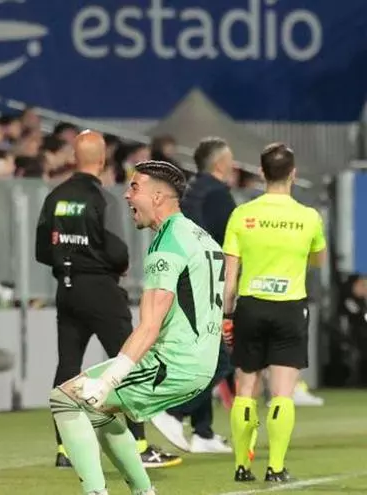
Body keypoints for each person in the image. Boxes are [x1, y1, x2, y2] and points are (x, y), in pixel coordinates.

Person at [50, 161, 224, 495]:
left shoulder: (168, 245)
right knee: (100, 409)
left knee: (65, 399)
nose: (127, 195)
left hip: (172, 364)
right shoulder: (201, 237)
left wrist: (109, 379)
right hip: (199, 361)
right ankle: (143, 492)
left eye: (134, 188)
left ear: (158, 197)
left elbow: (149, 327)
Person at [35, 130, 180, 470]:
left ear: (74, 157)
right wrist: (116, 263)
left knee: (68, 366)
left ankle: (66, 450)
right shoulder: (104, 199)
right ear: (101, 160)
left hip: (67, 288)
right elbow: (116, 249)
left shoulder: (55, 197)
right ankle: (139, 445)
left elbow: (42, 249)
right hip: (100, 288)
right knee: (129, 360)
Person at [223, 143, 326, 483]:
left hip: (250, 306)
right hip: (289, 308)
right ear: (293, 174)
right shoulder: (309, 217)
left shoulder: (242, 215)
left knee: (246, 388)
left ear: (262, 172)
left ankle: (241, 465)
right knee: (282, 393)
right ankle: (276, 468)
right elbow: (317, 260)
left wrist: (226, 314)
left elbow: (230, 276)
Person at [150, 137, 236, 454]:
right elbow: (230, 242)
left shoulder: (189, 191)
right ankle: (174, 411)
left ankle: (203, 431)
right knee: (219, 360)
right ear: (220, 164)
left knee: (203, 352)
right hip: (205, 280)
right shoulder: (219, 195)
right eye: (230, 159)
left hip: (182, 276)